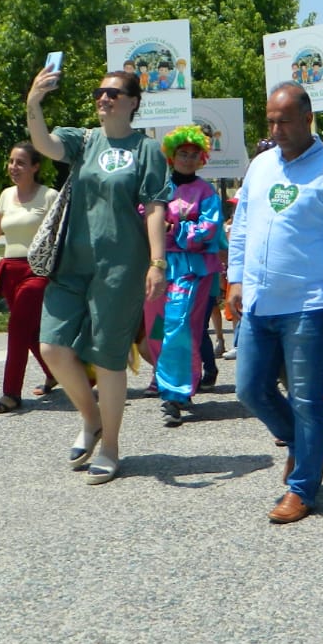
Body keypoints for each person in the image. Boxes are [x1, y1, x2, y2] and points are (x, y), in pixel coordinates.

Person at [226, 84, 323, 524]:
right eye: (270, 120)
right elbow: (245, 225)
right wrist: (235, 277)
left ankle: (303, 488)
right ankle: (300, 445)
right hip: (259, 300)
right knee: (250, 389)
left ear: (308, 119)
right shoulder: (261, 165)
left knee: (308, 400)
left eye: (284, 120)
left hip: (309, 302)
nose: (276, 129)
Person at [26, 66, 169, 486]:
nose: (103, 99)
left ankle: (110, 447)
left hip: (121, 267)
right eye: (99, 92)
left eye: (112, 93)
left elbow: (156, 208)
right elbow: (45, 144)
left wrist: (157, 262)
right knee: (51, 347)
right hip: (71, 262)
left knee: (107, 359)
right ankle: (91, 419)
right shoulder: (84, 139)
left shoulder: (148, 150)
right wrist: (34, 102)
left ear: (133, 103)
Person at [0, 143, 58, 414]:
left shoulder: (50, 196)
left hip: (37, 272)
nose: (13, 167)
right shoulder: (6, 195)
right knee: (31, 333)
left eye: (20, 163)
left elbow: (61, 235)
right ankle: (57, 374)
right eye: (11, 161)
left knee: (17, 330)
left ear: (35, 167)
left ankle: (11, 394)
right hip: (9, 271)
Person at [143, 125, 226, 427]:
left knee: (178, 325)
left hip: (192, 269)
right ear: (172, 156)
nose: (188, 159)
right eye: (183, 154)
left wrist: (175, 229)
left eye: (194, 155)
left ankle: (174, 395)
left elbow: (209, 229)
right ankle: (169, 376)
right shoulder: (156, 188)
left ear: (201, 158)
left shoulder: (206, 192)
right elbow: (142, 215)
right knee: (156, 327)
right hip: (156, 266)